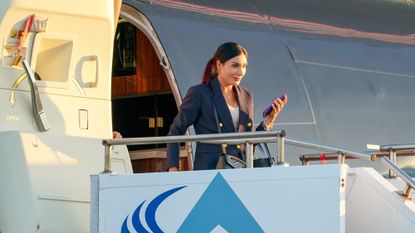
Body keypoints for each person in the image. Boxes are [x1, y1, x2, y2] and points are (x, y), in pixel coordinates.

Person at [167, 42, 287, 171]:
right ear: (219, 65)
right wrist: (173, 168)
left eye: (244, 66)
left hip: (241, 170)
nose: (241, 72)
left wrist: (270, 119)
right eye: (235, 65)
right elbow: (176, 130)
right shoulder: (200, 93)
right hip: (211, 171)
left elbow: (248, 142)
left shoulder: (246, 95)